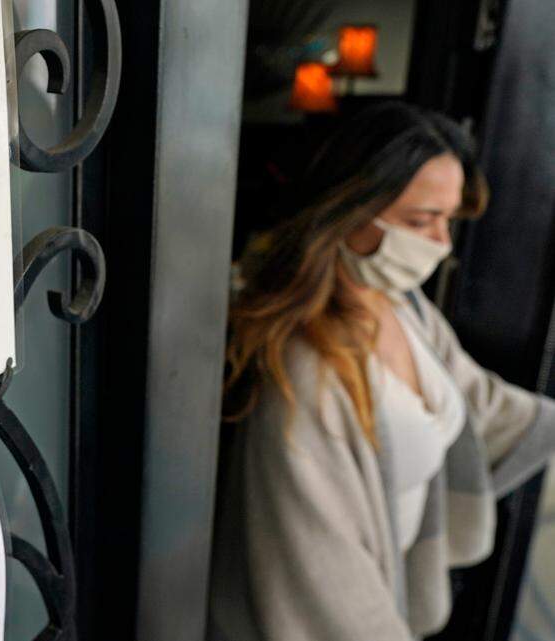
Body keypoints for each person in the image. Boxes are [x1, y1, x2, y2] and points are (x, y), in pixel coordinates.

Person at [210, 101, 555, 640]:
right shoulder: (306, 375)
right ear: (346, 212)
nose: (442, 243)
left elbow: (478, 403)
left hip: (393, 593)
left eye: (448, 219)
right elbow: (326, 584)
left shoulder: (404, 306)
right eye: (420, 221)